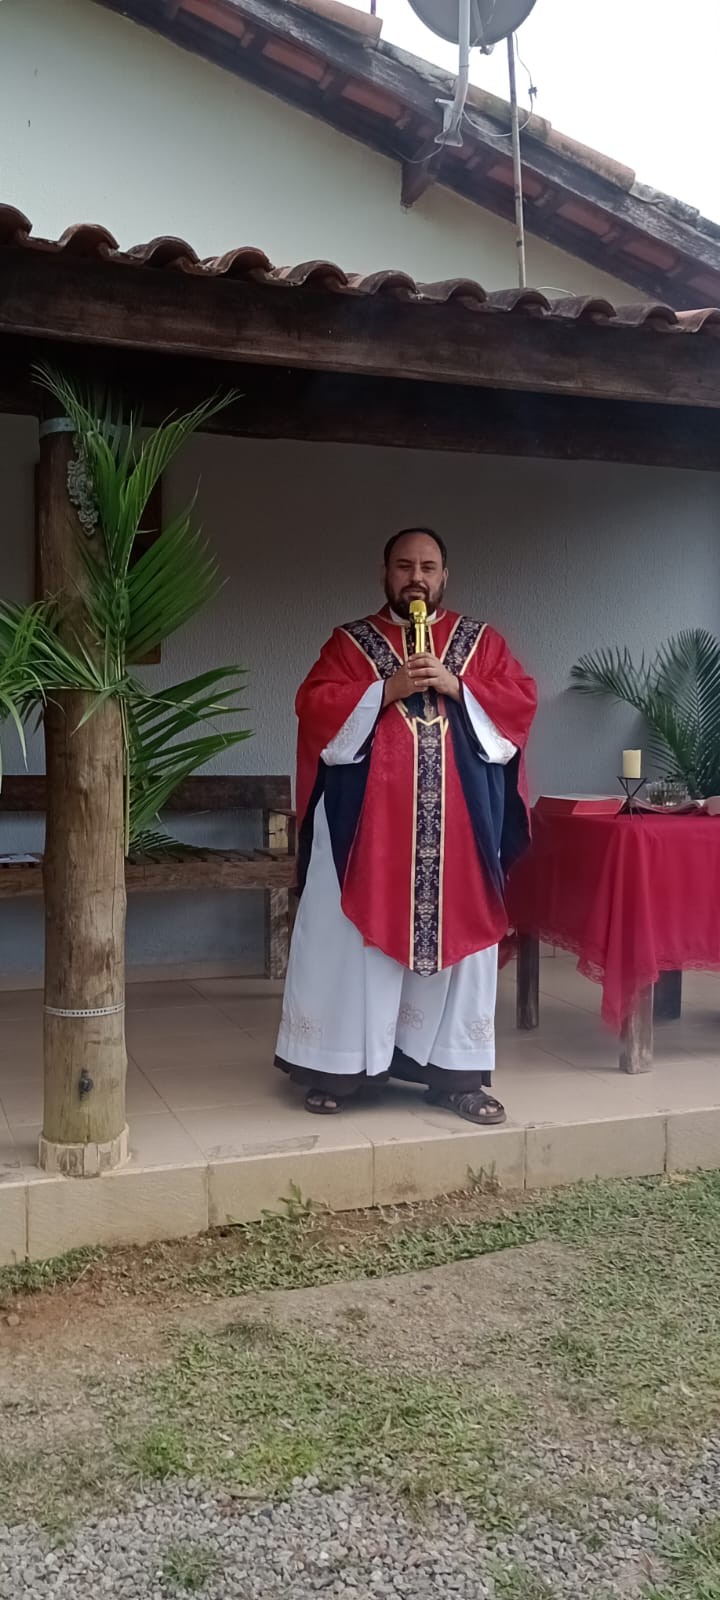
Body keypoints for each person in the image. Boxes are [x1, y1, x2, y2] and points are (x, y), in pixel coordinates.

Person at [275, 528, 537, 1125]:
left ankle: (455, 1077)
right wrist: (385, 691)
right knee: (350, 947)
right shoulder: (350, 643)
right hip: (364, 838)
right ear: (385, 573)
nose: (416, 577)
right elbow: (314, 705)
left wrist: (458, 686)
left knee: (460, 948)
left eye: (428, 566)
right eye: (404, 566)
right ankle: (339, 1069)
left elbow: (520, 702)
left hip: (460, 838)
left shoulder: (479, 642)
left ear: (445, 575)